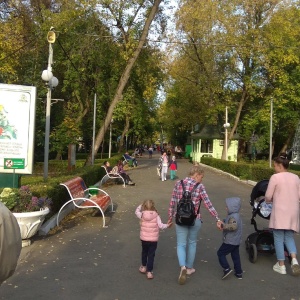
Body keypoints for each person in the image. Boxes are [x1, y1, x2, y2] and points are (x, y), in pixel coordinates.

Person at [168, 165, 221, 285]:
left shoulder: (178, 183)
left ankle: (182, 268)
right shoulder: (200, 187)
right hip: (195, 219)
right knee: (192, 243)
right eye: (201, 177)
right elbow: (208, 203)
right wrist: (217, 218)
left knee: (181, 244)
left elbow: (173, 201)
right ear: (196, 174)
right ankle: (189, 268)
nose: (202, 180)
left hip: (180, 218)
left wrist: (170, 216)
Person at [265, 153, 300, 276]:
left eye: (275, 165)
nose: (274, 168)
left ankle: (281, 265)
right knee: (289, 237)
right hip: (293, 211)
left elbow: (268, 196)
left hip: (280, 211)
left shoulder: (275, 177)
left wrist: (268, 200)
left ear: (280, 165)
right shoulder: (296, 177)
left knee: (278, 238)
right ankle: (294, 259)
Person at [135, 200, 172, 279]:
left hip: (144, 239)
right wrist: (167, 225)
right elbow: (161, 225)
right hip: (153, 240)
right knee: (151, 255)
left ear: (144, 207)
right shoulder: (156, 215)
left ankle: (143, 267)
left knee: (144, 252)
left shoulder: (142, 215)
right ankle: (149, 272)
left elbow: (136, 211)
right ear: (153, 206)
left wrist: (140, 205)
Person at [217, 197, 243, 280]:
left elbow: (233, 226)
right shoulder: (235, 215)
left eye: (227, 207)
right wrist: (224, 221)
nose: (226, 208)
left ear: (232, 207)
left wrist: (223, 226)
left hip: (230, 241)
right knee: (235, 256)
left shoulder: (233, 217)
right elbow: (232, 223)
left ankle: (226, 268)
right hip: (236, 241)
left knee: (220, 253)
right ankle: (238, 272)